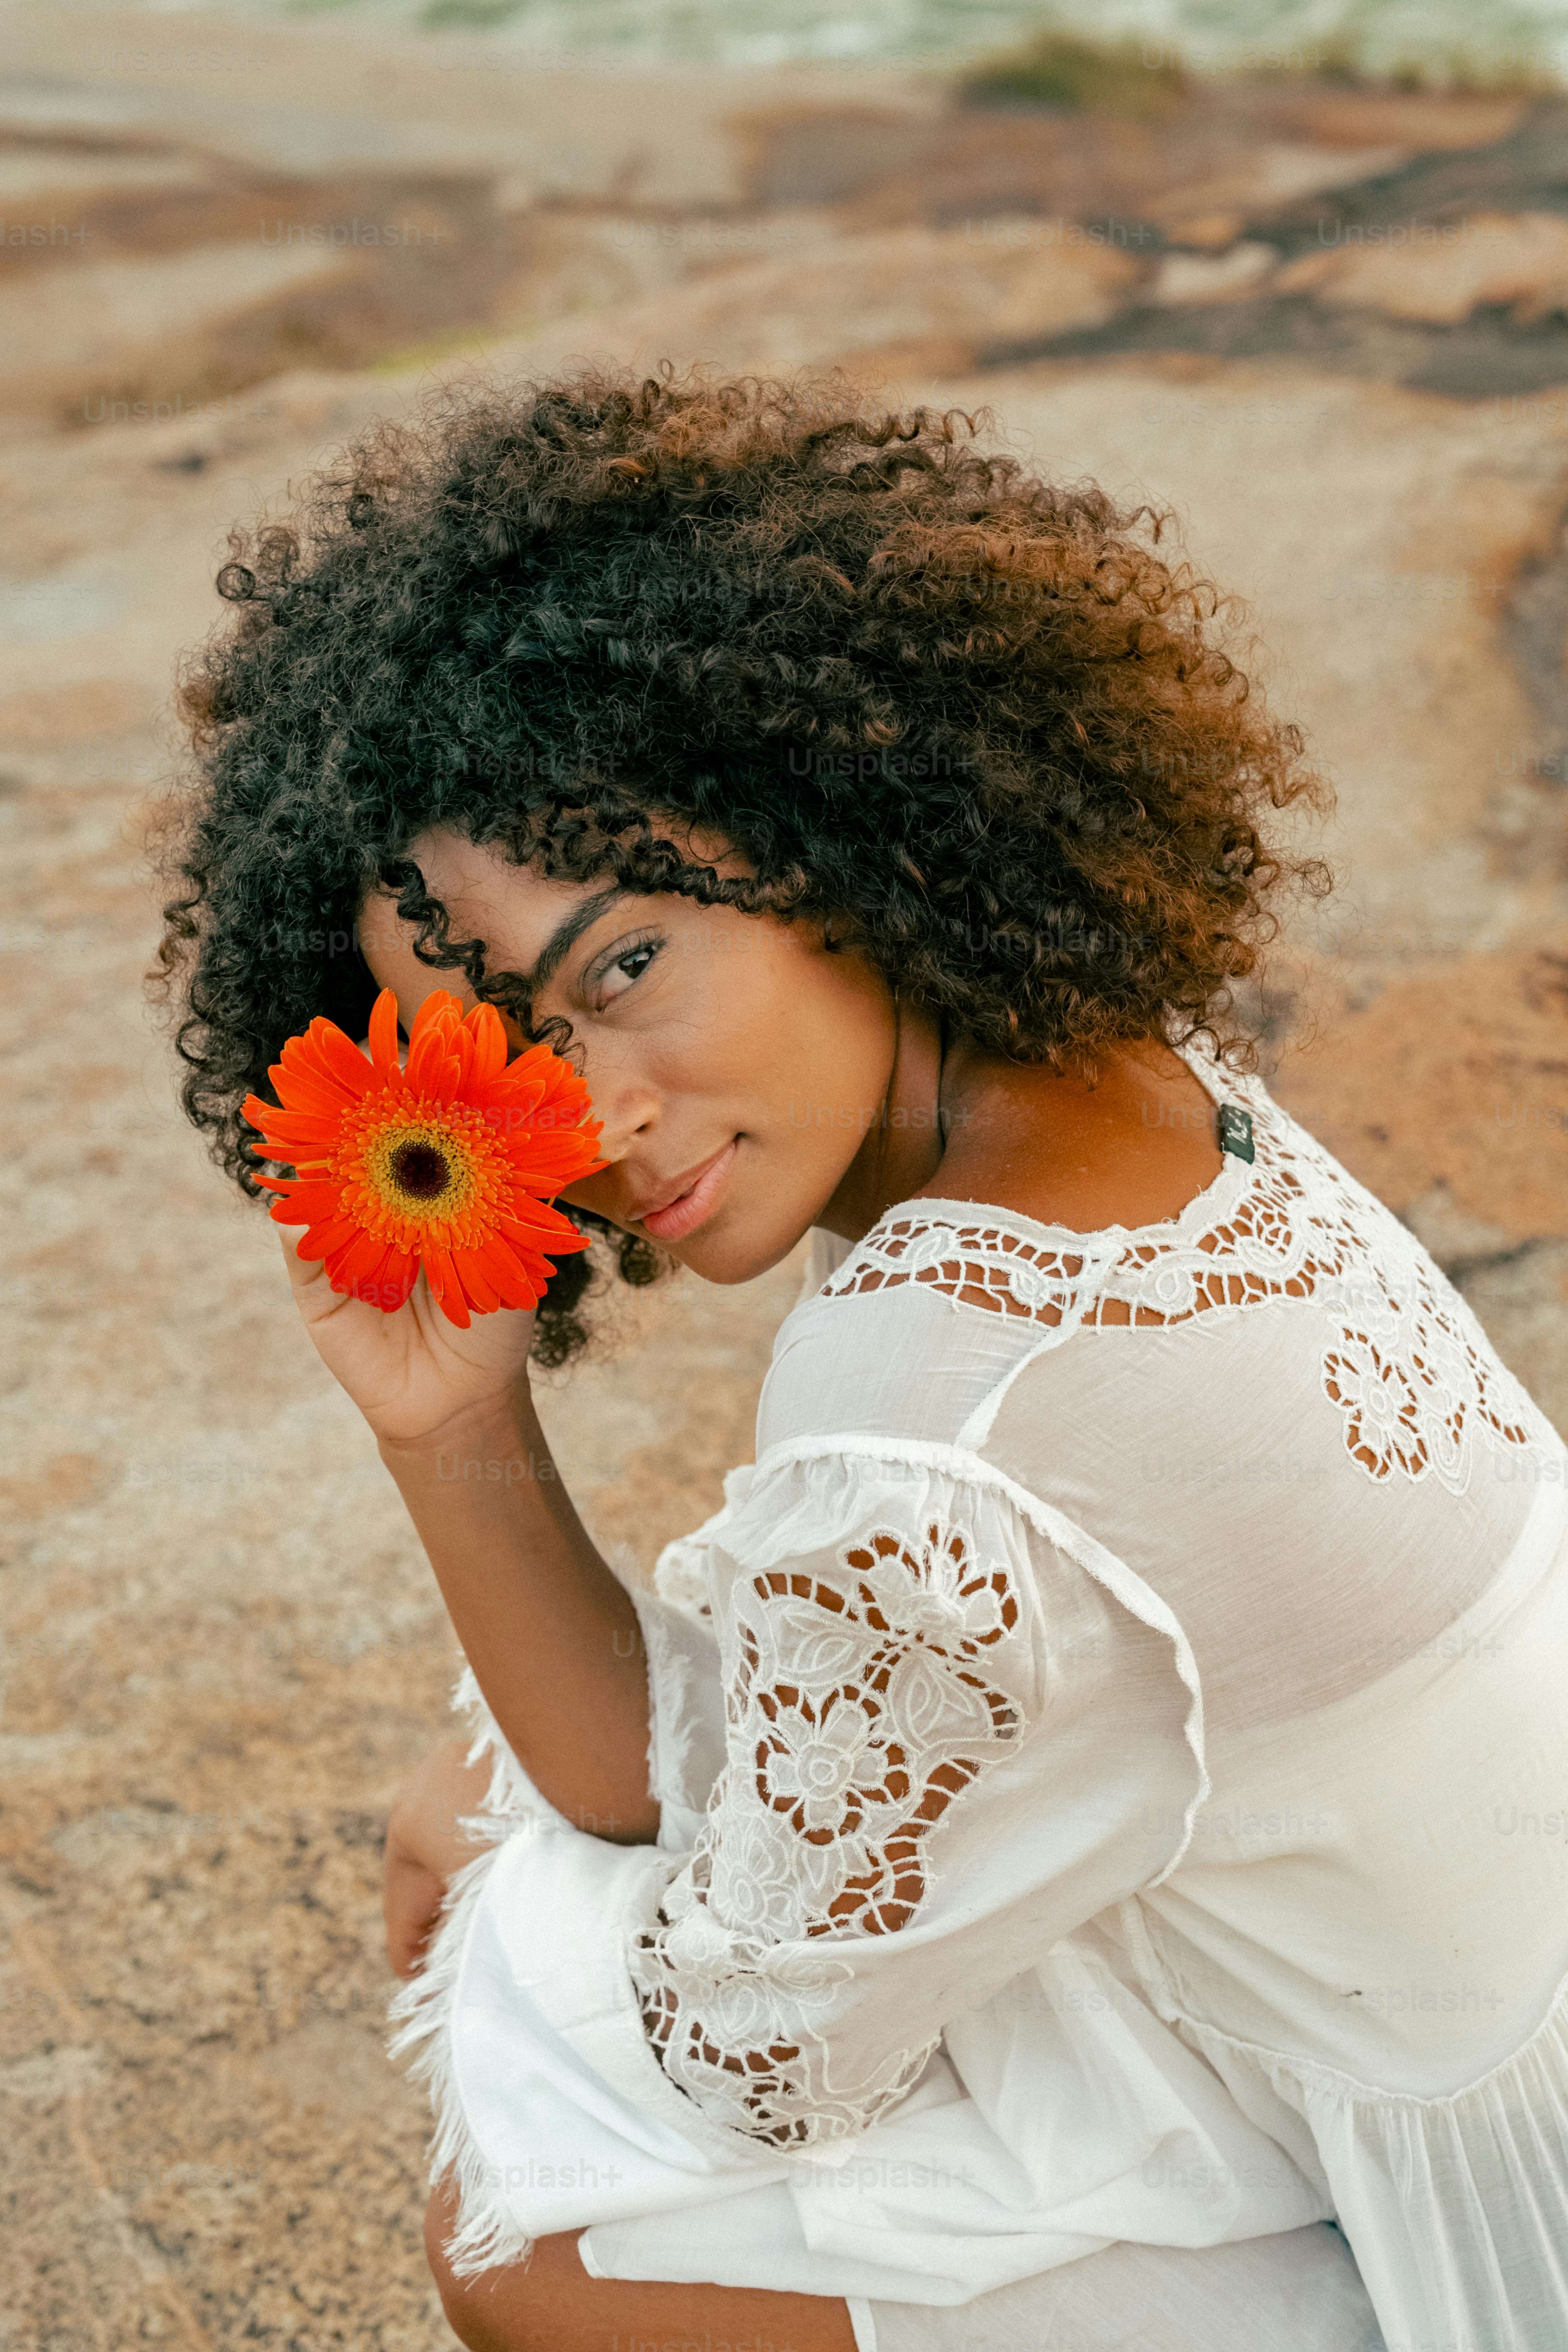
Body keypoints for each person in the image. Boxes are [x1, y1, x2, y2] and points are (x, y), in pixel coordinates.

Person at [157, 366, 1568, 2352]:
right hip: (1376, 1985)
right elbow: (781, 1762)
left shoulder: (944, 1400)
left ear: (832, 827)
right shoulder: (1120, 1081)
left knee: (529, 2260)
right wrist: (450, 1421)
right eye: (510, 1058)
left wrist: (502, 1865)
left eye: (626, 968)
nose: (591, 1119)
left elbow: (762, 2065)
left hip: (1474, 2208)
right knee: (505, 1818)